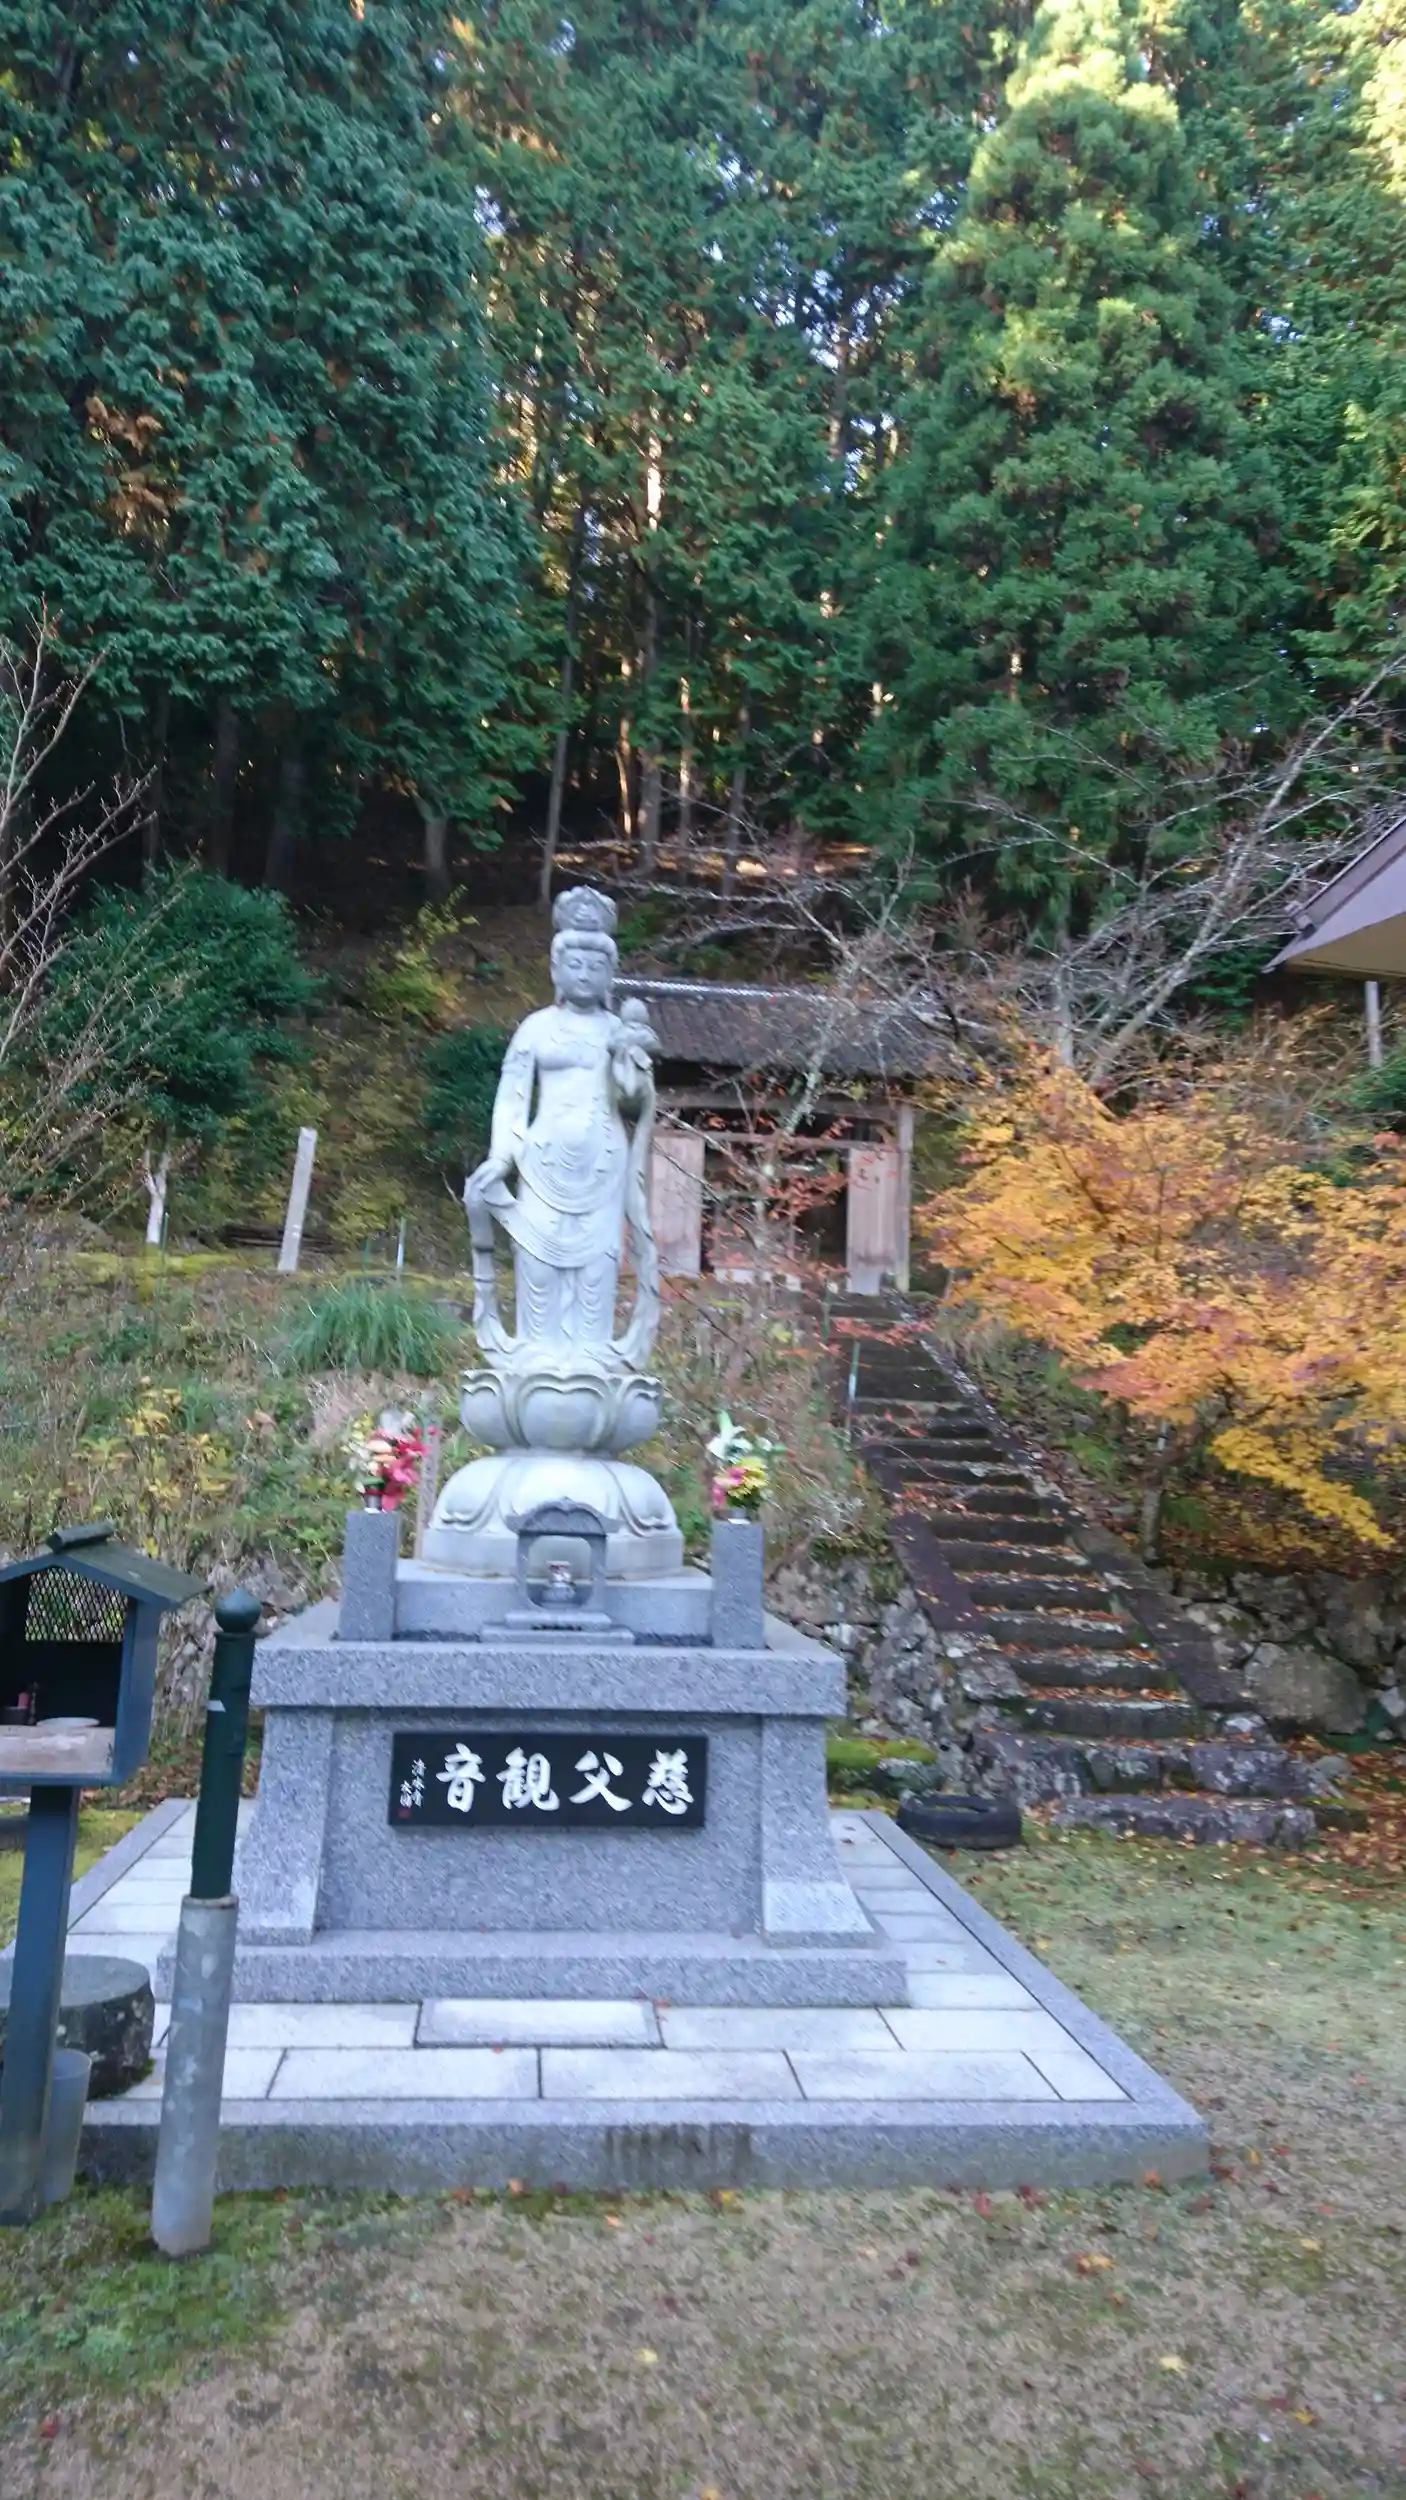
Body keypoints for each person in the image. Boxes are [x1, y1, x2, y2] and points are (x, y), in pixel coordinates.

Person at [465, 889, 659, 1362]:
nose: (585, 974)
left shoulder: (616, 1031)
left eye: (596, 965)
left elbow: (633, 1102)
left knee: (599, 1263)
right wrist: (501, 1156)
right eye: (575, 964)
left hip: (603, 1162)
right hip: (541, 1161)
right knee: (536, 1260)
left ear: (610, 973)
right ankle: (536, 1357)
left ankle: (591, 1360)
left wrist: (632, 1066)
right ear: (555, 969)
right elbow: (512, 1100)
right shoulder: (535, 1029)